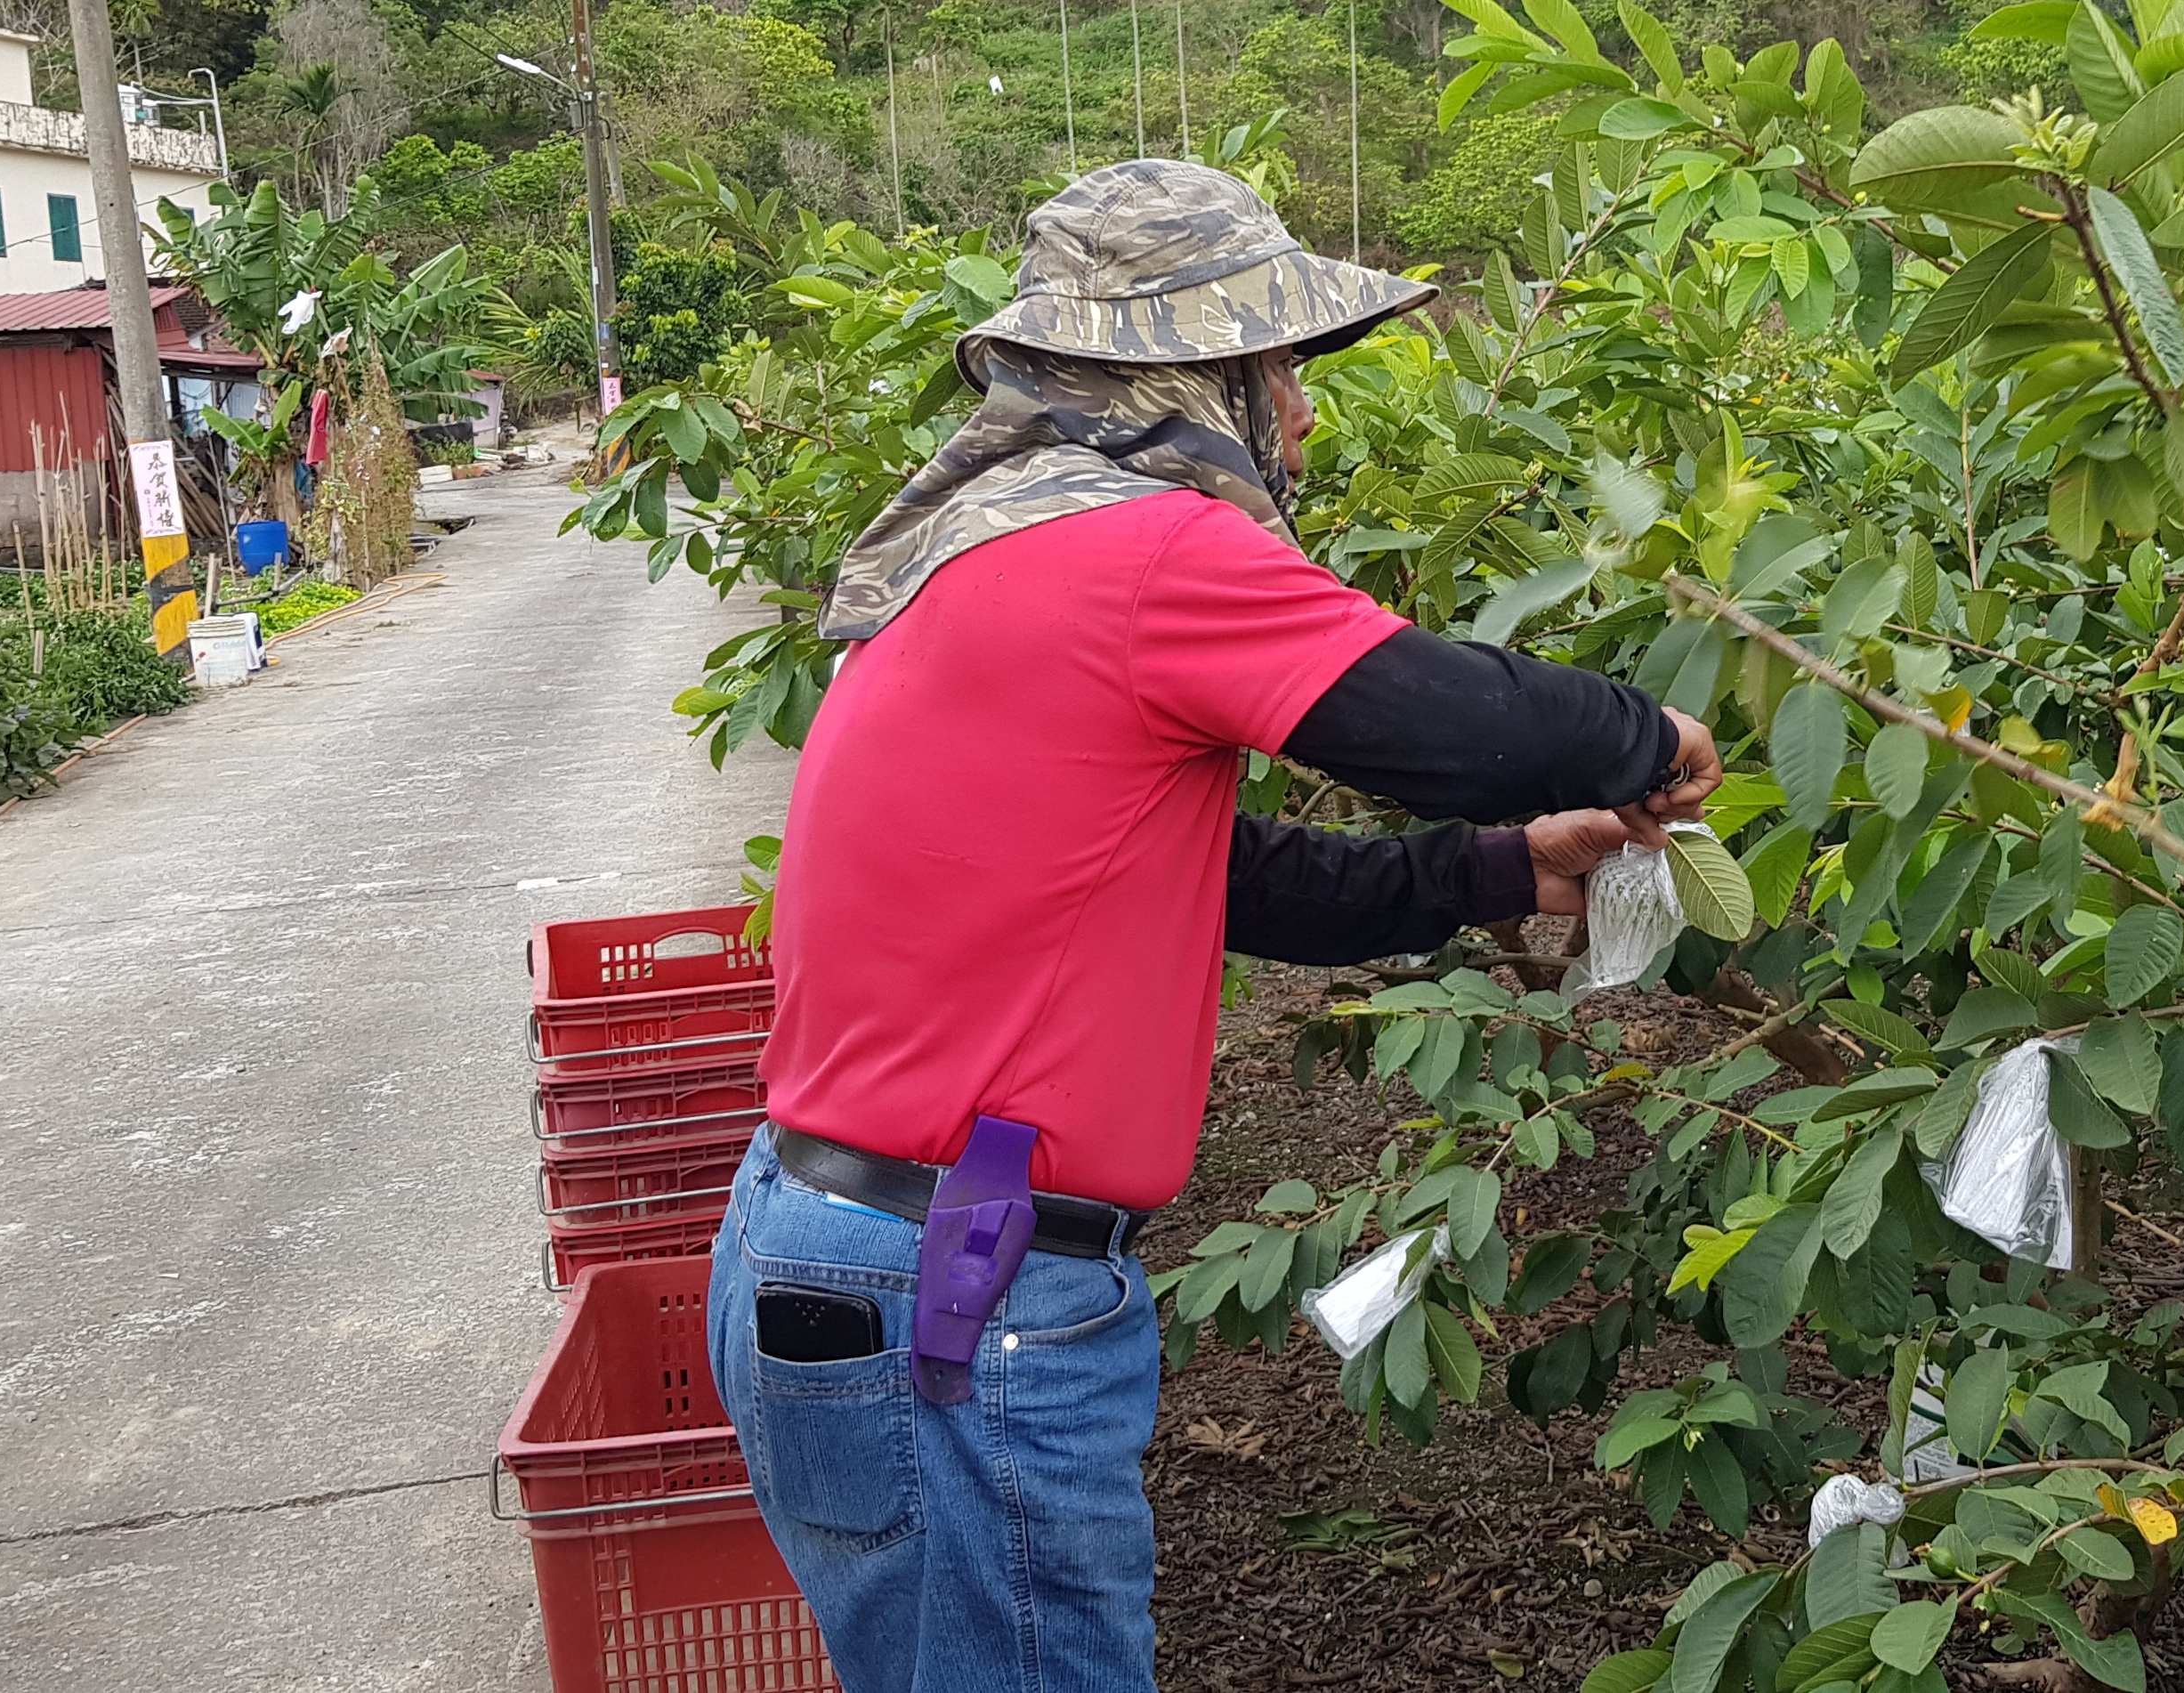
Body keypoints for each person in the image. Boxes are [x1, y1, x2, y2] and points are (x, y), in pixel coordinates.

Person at [705, 159, 1722, 1693]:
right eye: (1279, 373)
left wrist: (1501, 870)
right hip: (958, 1289)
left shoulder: (968, 552)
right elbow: (1440, 719)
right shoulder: (1139, 549)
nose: (1301, 417)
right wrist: (1643, 738)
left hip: (857, 1247)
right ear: (1193, 375)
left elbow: (1208, 878)